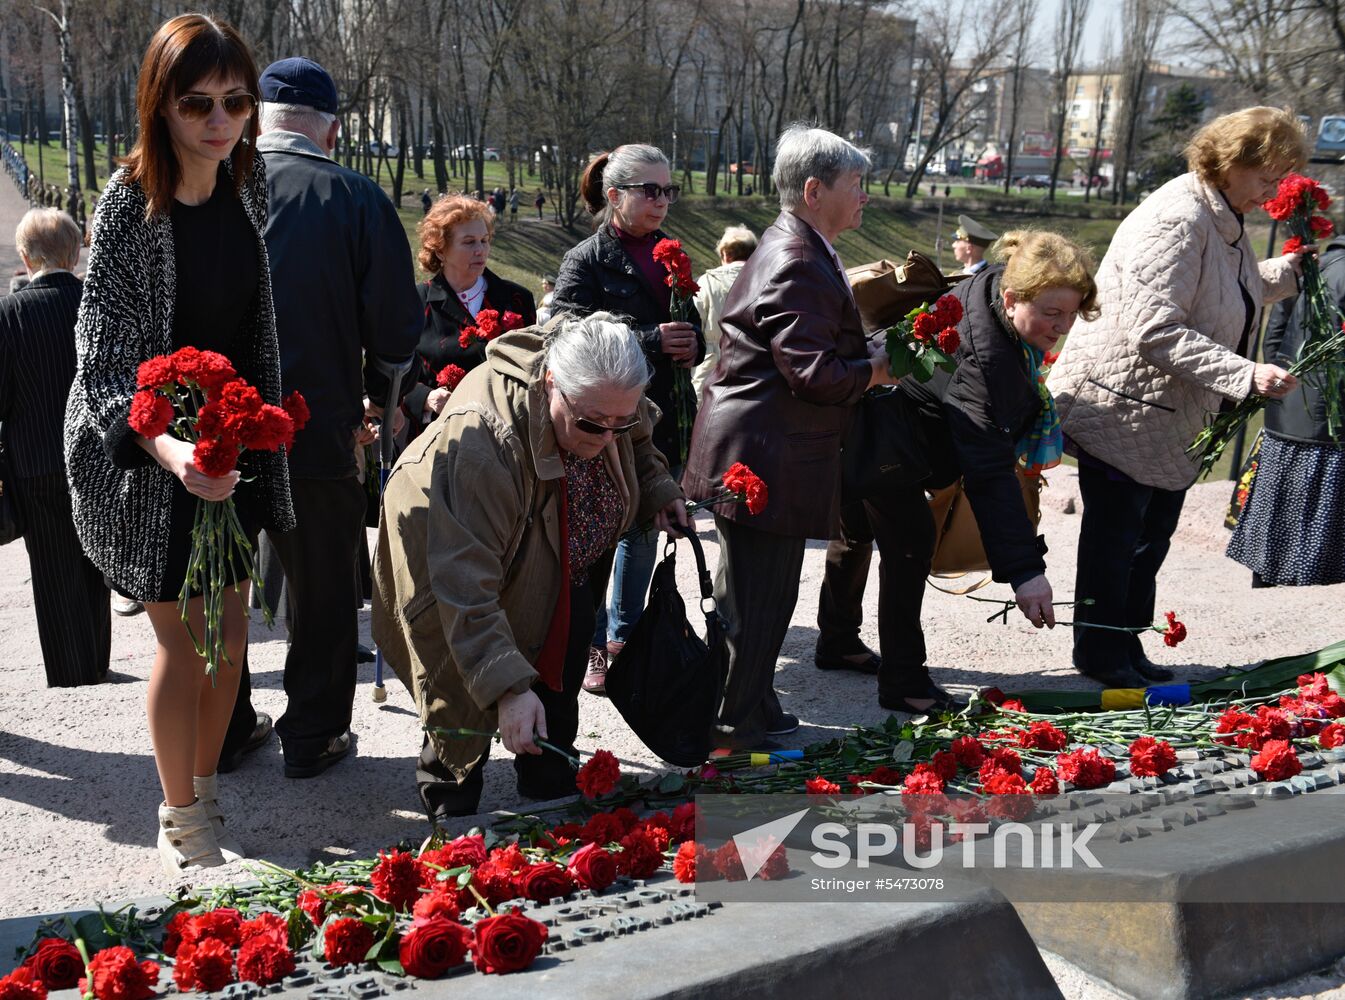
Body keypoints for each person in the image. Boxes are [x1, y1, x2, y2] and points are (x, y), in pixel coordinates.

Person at [64, 14, 292, 872]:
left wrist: (241, 436)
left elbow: (253, 324)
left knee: (231, 633)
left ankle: (207, 797)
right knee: (182, 636)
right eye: (197, 101)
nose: (219, 119)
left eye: (236, 101)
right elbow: (104, 361)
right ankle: (183, 825)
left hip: (228, 445)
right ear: (159, 105)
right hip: (144, 457)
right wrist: (172, 453)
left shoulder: (249, 185)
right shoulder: (130, 204)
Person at [371, 313, 687, 822]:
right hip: (456, 560)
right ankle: (452, 804)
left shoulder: (606, 397)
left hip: (565, 559)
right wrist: (509, 689)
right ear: (550, 385)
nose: (606, 438)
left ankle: (549, 789)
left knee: (557, 672)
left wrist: (658, 489)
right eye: (590, 424)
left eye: (618, 423)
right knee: (461, 691)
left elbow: (639, 438)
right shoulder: (484, 441)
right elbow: (466, 585)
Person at [1049, 106, 1310, 688]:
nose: (1272, 191)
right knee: (1118, 537)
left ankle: (1126, 645)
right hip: (1121, 406)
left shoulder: (1222, 216)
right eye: (1266, 176)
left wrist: (1294, 270)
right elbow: (1154, 329)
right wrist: (1243, 374)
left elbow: (1229, 290)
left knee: (1150, 535)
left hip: (1165, 415)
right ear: (1229, 161)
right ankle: (1100, 654)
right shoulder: (1177, 216)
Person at [218, 56, 423, 780]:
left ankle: (224, 727)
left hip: (210, 432)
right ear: (330, 130)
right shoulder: (355, 197)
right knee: (325, 589)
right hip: (316, 425)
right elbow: (397, 327)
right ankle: (312, 733)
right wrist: (377, 395)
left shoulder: (208, 184)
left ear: (255, 119)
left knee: (220, 583)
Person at [681, 124, 898, 751]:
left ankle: (753, 700)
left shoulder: (803, 245)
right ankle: (734, 725)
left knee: (757, 592)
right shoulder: (797, 257)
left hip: (765, 446)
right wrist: (881, 367)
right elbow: (814, 373)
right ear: (812, 189)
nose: (865, 196)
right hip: (762, 454)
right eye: (855, 185)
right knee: (757, 598)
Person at [819, 231, 1095, 711]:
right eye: (1052, 313)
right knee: (910, 544)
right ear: (1012, 299)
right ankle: (903, 680)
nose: (1062, 327)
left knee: (856, 526)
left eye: (1071, 314)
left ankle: (837, 640)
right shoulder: (988, 361)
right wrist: (1026, 572)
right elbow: (989, 472)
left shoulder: (991, 284)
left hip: (868, 417)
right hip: (888, 434)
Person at [551, 143, 705, 695]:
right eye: (650, 190)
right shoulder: (587, 260)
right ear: (614, 196)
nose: (662, 201)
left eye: (668, 190)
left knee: (644, 529)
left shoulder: (672, 253)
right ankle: (592, 643)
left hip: (664, 414)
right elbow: (562, 337)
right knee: (595, 534)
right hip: (605, 422)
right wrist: (649, 340)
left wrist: (691, 343)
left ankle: (626, 634)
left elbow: (690, 330)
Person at [0, 208, 110, 687]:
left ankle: (70, 671)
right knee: (96, 558)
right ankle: (98, 658)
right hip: (99, 455)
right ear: (76, 252)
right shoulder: (97, 303)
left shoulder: (9, 314)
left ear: (26, 259)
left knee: (51, 567)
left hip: (35, 458)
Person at [1227, 231, 1345, 587]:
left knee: (1281, 519)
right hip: (1329, 423)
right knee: (1318, 533)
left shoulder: (1314, 264)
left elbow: (1274, 335)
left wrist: (1283, 387)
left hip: (1289, 408)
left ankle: (1275, 574)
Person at [403, 195, 535, 436]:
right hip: (437, 436)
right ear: (441, 250)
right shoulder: (415, 301)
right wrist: (427, 398)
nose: (480, 250)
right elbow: (396, 375)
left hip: (506, 436)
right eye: (469, 242)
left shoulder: (517, 299)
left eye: (484, 240)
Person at [691, 225, 758, 396]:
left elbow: (693, 325)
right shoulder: (766, 281)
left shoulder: (705, 283)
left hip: (712, 372)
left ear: (725, 254)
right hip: (756, 371)